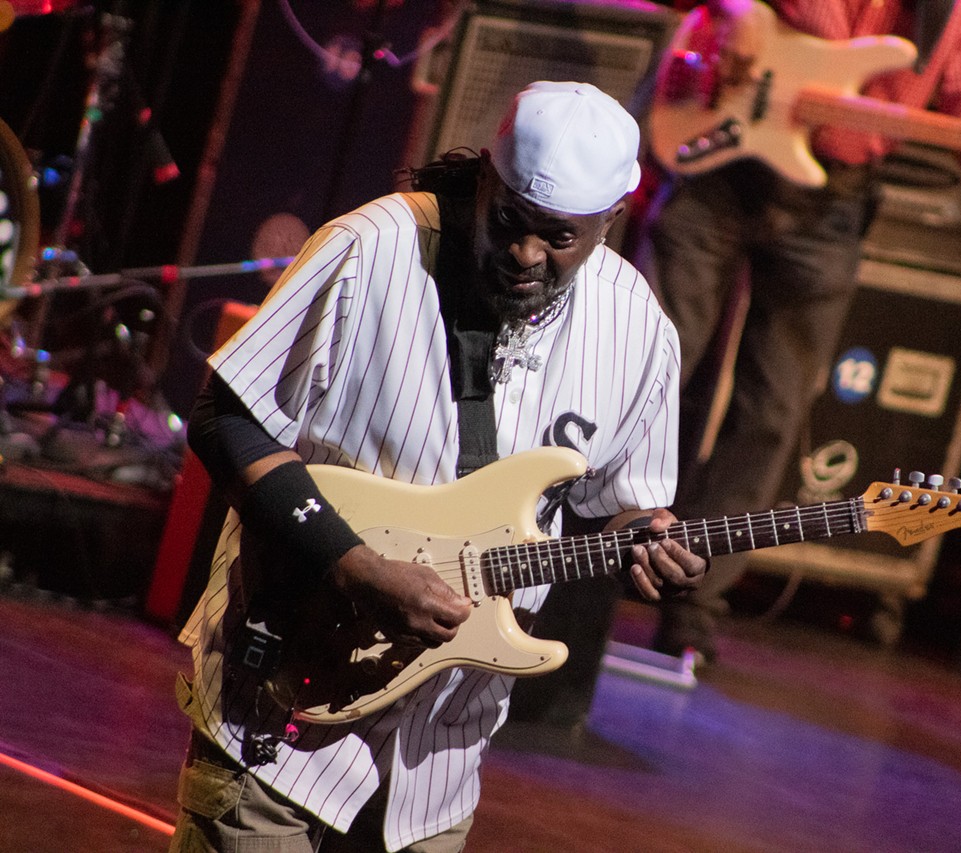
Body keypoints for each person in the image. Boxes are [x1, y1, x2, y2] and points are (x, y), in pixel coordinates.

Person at [169, 81, 707, 852]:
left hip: (439, 763)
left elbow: (614, 503)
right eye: (510, 221)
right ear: (486, 177)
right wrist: (349, 563)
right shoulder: (372, 247)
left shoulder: (639, 331)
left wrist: (646, 537)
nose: (525, 255)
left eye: (559, 238)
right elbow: (227, 415)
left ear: (611, 220)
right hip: (280, 715)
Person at [639, 0, 961, 662]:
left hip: (829, 200)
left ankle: (694, 593)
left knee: (774, 408)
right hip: (720, 162)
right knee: (652, 366)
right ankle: (581, 556)